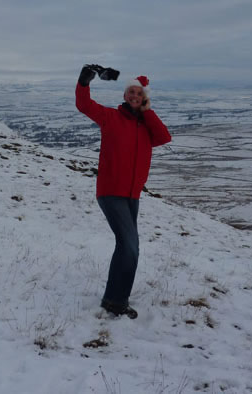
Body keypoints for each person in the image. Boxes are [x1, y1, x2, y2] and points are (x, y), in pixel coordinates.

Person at [75, 65, 172, 318]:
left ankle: (113, 298)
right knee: (130, 246)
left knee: (126, 245)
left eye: (139, 94)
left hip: (132, 195)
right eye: (130, 91)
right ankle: (116, 301)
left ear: (144, 98)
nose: (134, 96)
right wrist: (84, 83)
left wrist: (147, 112)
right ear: (124, 95)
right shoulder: (111, 117)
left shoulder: (146, 126)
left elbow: (164, 137)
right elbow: (85, 106)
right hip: (111, 191)